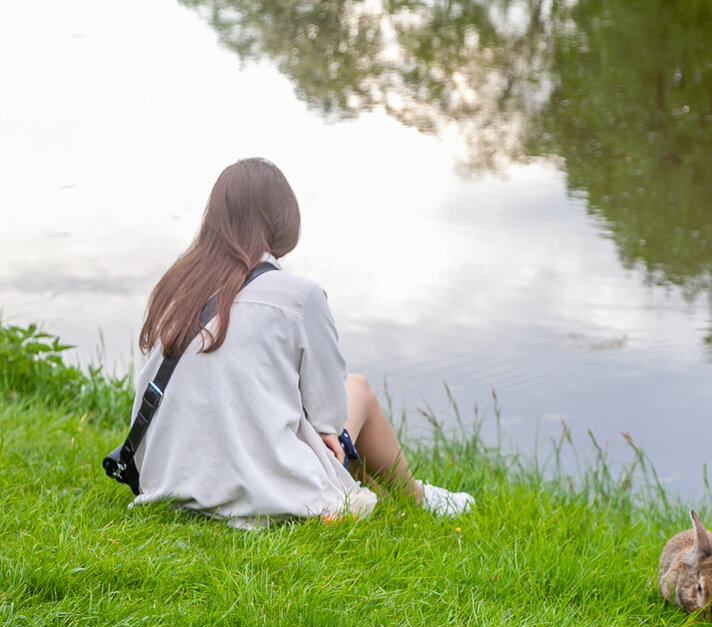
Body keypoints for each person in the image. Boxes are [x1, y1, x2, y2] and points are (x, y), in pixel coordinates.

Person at [128, 157, 473, 527]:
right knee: (357, 389)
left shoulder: (177, 290)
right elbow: (329, 413)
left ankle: (388, 493)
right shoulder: (299, 296)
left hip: (167, 484)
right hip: (262, 493)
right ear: (282, 220)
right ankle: (418, 497)